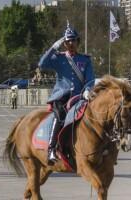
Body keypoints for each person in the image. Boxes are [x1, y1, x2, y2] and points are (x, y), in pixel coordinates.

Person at [38, 22, 95, 163]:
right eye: (68, 40)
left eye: (73, 40)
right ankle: (51, 150)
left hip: (80, 96)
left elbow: (90, 79)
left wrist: (87, 90)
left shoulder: (85, 60)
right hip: (61, 96)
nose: (71, 43)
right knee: (60, 116)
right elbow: (42, 64)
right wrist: (53, 47)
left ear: (78, 42)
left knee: (95, 115)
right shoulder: (59, 58)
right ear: (64, 43)